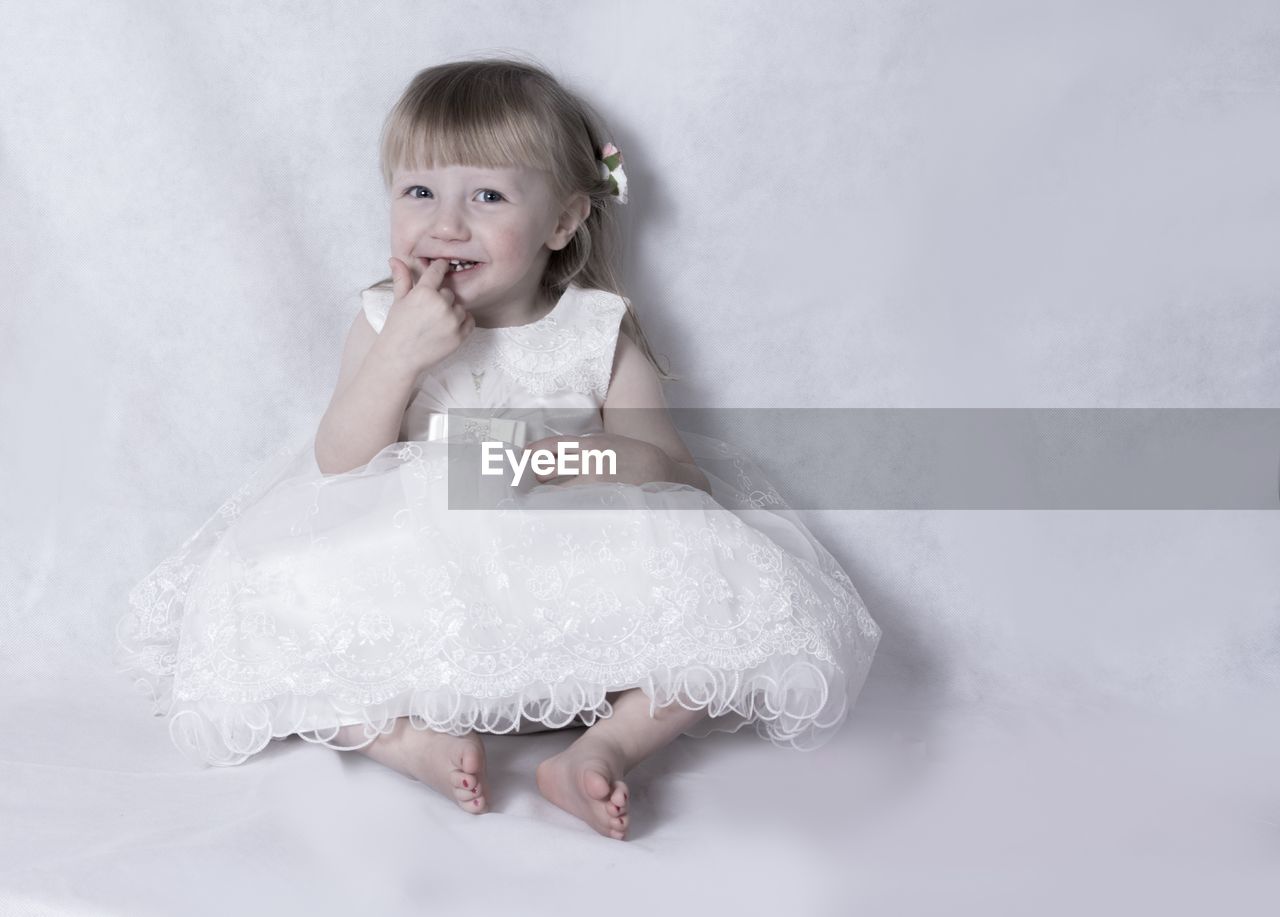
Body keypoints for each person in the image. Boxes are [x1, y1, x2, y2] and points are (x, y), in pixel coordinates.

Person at [115, 56, 882, 842]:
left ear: (562, 220)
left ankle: (602, 746)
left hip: (564, 557)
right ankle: (406, 740)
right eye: (420, 192)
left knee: (743, 596)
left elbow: (673, 467)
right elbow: (340, 462)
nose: (446, 224)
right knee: (263, 598)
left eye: (486, 195)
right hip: (416, 569)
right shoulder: (386, 318)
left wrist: (565, 459)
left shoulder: (592, 327)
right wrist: (400, 356)